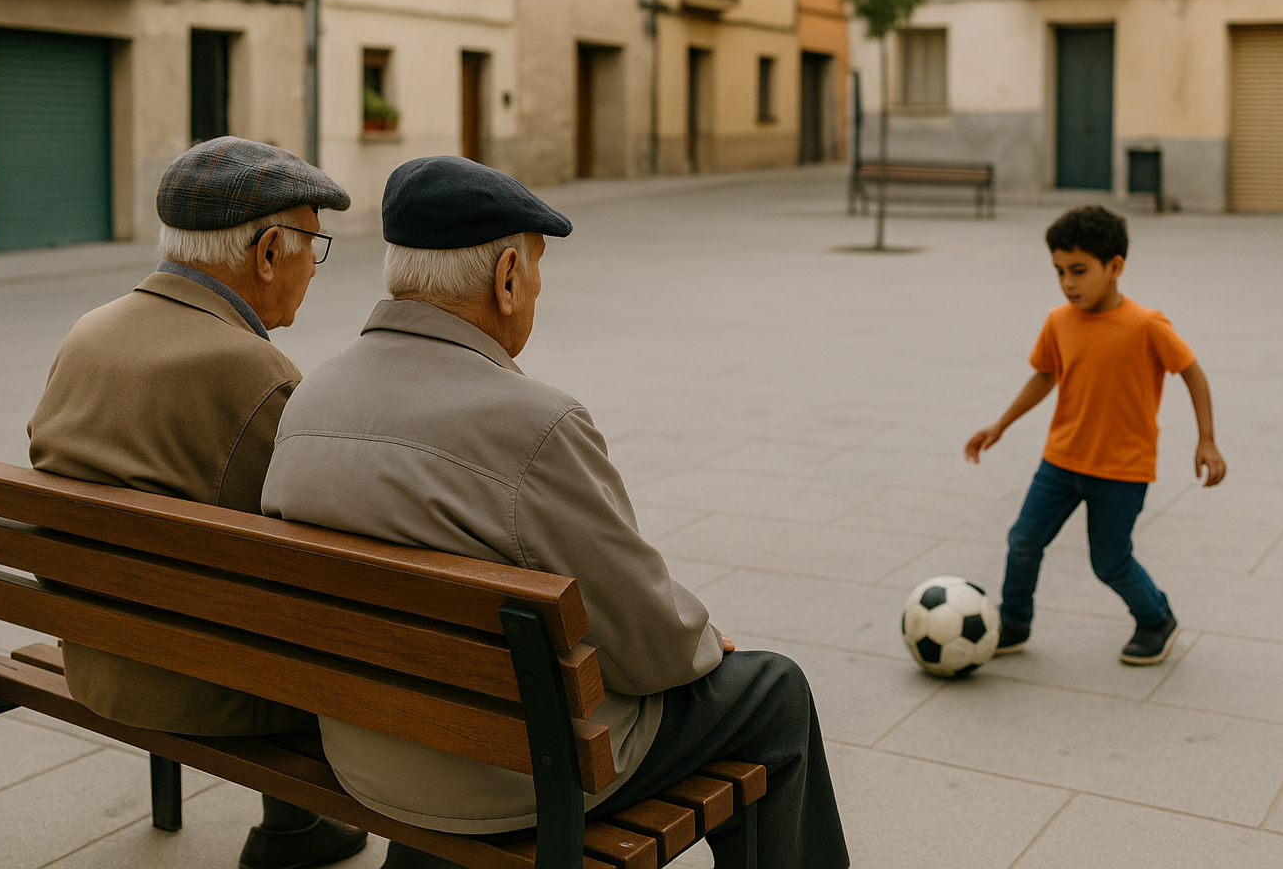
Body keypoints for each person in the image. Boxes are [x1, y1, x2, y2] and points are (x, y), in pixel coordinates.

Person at [261, 156, 850, 869]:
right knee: (775, 691)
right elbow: (649, 642)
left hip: (369, 752)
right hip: (509, 780)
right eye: (537, 270)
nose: (537, 289)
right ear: (507, 277)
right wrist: (698, 641)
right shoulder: (536, 424)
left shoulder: (309, 400)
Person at [28, 136, 368, 869]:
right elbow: (315, 553)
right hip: (200, 683)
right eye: (315, 244)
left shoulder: (88, 332)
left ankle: (300, 829)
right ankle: (298, 830)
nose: (316, 267)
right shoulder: (254, 372)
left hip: (96, 652)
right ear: (269, 251)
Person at [963, 205, 1227, 666]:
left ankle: (1155, 619)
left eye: (1079, 271)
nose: (1068, 283)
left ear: (1115, 267)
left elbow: (1193, 373)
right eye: (1060, 271)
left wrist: (1206, 439)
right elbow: (1044, 376)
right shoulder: (1059, 321)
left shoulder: (1147, 325)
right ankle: (1014, 622)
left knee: (1109, 561)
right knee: (1023, 540)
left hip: (1122, 471)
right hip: (1060, 462)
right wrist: (1000, 425)